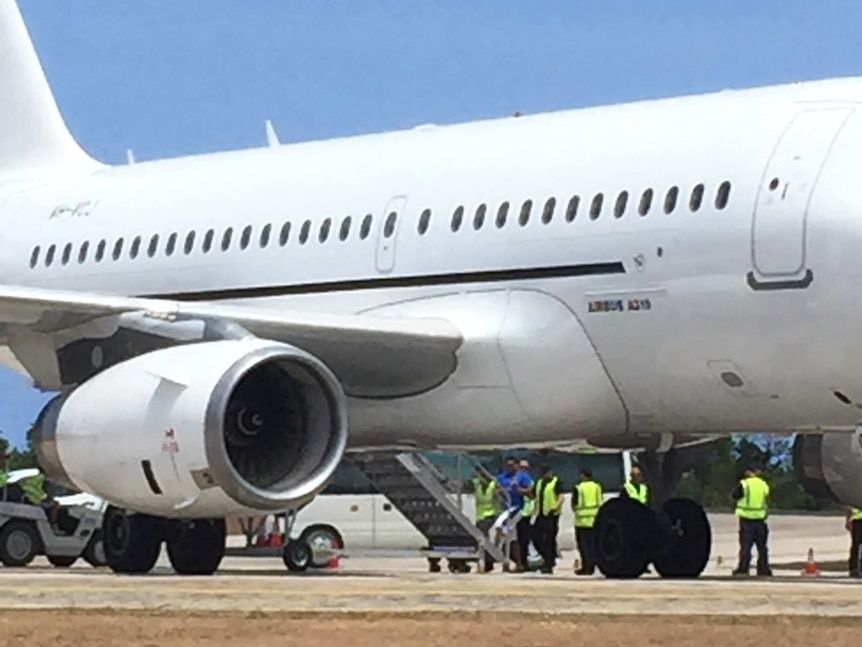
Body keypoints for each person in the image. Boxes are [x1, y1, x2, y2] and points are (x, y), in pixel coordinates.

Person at [491, 456, 532, 571]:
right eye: (508, 465)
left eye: (512, 465)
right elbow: (496, 490)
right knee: (503, 531)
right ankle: (504, 557)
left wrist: (520, 490)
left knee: (507, 531)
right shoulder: (502, 477)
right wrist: (501, 491)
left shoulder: (522, 476)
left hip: (517, 508)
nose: (509, 467)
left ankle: (517, 562)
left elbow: (530, 490)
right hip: (505, 508)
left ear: (517, 465)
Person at [731, 466, 772, 577]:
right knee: (762, 547)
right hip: (760, 519)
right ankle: (763, 569)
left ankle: (743, 569)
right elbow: (766, 496)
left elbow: (735, 495)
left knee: (746, 546)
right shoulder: (763, 484)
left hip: (747, 520)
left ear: (748, 472)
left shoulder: (744, 484)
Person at [532, 464, 564, 574]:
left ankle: (549, 563)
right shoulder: (539, 483)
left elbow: (561, 496)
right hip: (540, 514)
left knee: (549, 540)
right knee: (536, 538)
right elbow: (534, 496)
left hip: (551, 515)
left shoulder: (556, 482)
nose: (547, 475)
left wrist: (555, 506)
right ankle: (547, 558)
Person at [572, 467, 603, 575]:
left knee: (584, 546)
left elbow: (574, 504)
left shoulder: (579, 488)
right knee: (593, 545)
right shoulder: (597, 487)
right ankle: (593, 565)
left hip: (582, 520)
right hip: (595, 518)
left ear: (583, 475)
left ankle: (587, 567)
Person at [471, 466, 500, 572]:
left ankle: (487, 560)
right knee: (482, 539)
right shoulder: (477, 483)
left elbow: (499, 494)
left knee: (482, 535)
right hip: (480, 515)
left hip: (491, 513)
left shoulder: (493, 484)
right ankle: (487, 561)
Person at [515, 459, 535, 572]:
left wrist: (520, 490)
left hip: (525, 512)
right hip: (520, 512)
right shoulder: (520, 477)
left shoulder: (525, 478)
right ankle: (521, 562)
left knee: (523, 539)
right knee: (520, 539)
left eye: (525, 468)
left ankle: (523, 562)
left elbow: (530, 491)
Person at [846, 506, 862, 577]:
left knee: (856, 545)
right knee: (856, 545)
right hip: (856, 520)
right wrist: (848, 520)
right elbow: (849, 507)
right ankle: (854, 569)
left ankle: (855, 569)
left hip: (856, 521)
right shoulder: (856, 496)